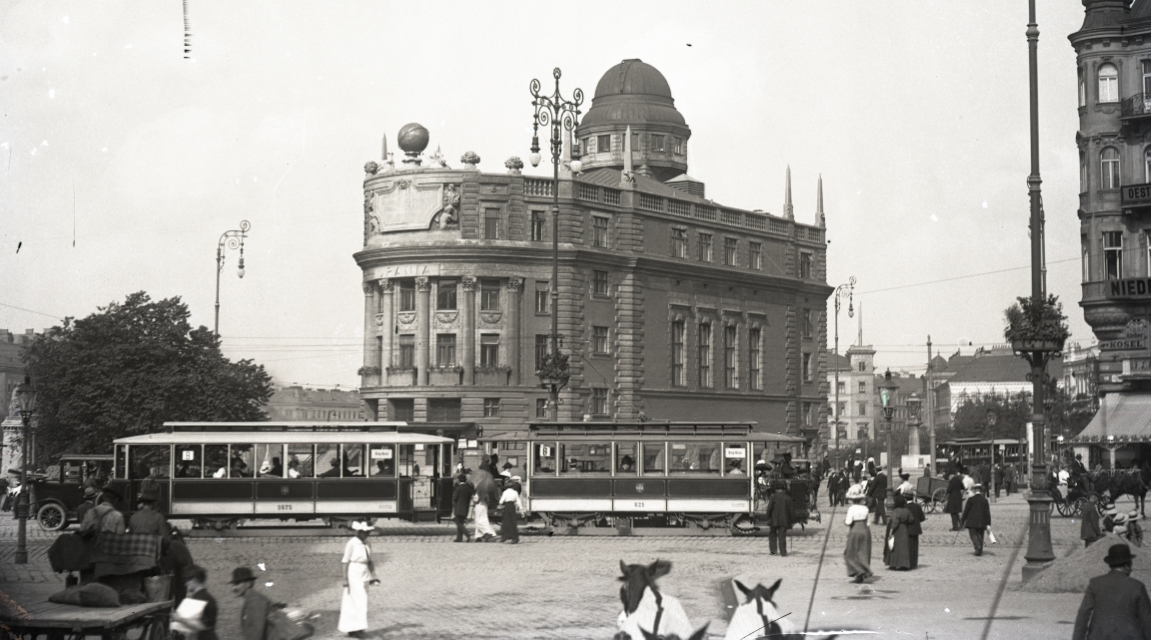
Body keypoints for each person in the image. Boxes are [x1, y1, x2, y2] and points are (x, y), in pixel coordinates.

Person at [1072, 543, 1151, 640]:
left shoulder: (1095, 584)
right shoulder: (1138, 586)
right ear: (1127, 565)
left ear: (1110, 564)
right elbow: (1147, 620)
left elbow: (1083, 614)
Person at [339, 521, 380, 637]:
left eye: (368, 532)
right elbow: (345, 561)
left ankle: (358, 627)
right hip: (354, 573)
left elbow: (370, 561)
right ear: (359, 532)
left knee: (363, 600)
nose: (367, 534)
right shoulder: (352, 543)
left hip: (365, 573)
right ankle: (353, 629)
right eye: (365, 532)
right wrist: (345, 579)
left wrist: (374, 576)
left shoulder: (367, 543)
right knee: (356, 600)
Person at [172, 564, 218, 640]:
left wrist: (179, 619)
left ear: (194, 580)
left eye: (187, 580)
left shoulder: (200, 599)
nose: (185, 584)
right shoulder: (204, 597)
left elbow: (203, 625)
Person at [230, 567, 270, 640]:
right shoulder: (251, 600)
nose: (233, 588)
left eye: (237, 583)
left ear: (248, 584)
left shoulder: (256, 601)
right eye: (233, 584)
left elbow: (256, 634)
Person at [843, 485, 873, 583]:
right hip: (865, 530)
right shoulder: (865, 508)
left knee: (851, 552)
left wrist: (845, 522)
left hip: (855, 530)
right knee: (863, 552)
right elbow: (868, 523)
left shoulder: (852, 509)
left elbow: (848, 522)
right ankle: (865, 570)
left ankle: (858, 571)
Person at [884, 494, 914, 570]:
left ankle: (893, 564)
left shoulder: (896, 511)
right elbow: (911, 519)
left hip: (897, 530)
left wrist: (891, 531)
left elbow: (895, 522)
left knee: (894, 547)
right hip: (904, 529)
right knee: (904, 548)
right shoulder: (907, 510)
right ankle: (904, 564)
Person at [960, 483, 992, 556]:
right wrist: (988, 524)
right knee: (980, 535)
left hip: (972, 521)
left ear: (974, 490)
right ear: (981, 491)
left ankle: (977, 545)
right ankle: (979, 551)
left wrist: (962, 520)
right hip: (982, 521)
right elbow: (987, 513)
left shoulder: (971, 499)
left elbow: (966, 511)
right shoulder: (984, 500)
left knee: (972, 534)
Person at [764, 481, 794, 557]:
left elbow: (769, 508)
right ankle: (783, 553)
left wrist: (766, 517)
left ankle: (773, 551)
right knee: (782, 536)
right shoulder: (788, 498)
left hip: (774, 519)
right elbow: (791, 511)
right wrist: (792, 521)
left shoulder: (773, 496)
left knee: (772, 535)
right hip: (784, 520)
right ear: (784, 489)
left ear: (776, 489)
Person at [471, 463, 499, 542]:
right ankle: (478, 536)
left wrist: (474, 497)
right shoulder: (486, 487)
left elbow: (476, 499)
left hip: (479, 505)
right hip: (484, 505)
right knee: (484, 519)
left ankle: (488, 532)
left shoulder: (480, 488)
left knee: (478, 521)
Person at [904, 492, 927, 569]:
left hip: (907, 529)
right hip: (916, 529)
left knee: (908, 547)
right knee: (915, 547)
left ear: (905, 499)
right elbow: (922, 518)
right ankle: (914, 564)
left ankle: (909, 563)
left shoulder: (905, 507)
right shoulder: (917, 506)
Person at [452, 474, 474, 543]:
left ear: (459, 480)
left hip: (458, 507)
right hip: (465, 507)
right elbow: (471, 496)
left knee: (458, 523)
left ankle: (467, 534)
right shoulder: (468, 488)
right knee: (461, 522)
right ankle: (459, 538)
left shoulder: (458, 488)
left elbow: (454, 498)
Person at [499, 476, 521, 544]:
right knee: (513, 522)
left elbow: (501, 501)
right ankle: (515, 538)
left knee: (506, 522)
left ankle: (504, 537)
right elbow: (518, 501)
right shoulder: (515, 492)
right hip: (512, 506)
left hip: (507, 506)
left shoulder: (505, 492)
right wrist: (521, 509)